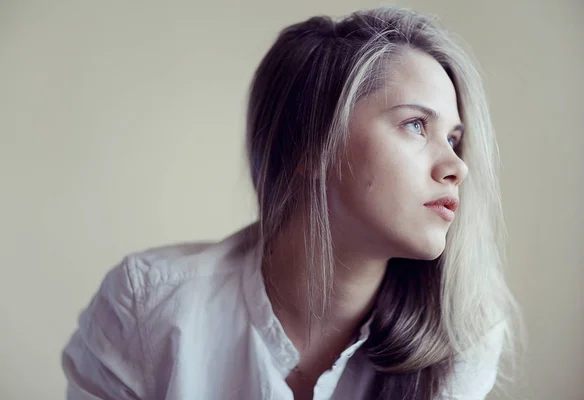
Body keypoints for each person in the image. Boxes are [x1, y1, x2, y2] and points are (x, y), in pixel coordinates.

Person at [61, 6, 520, 400]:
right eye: (416, 125)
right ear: (308, 145)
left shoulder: (466, 337)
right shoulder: (146, 310)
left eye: (455, 139)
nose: (457, 166)